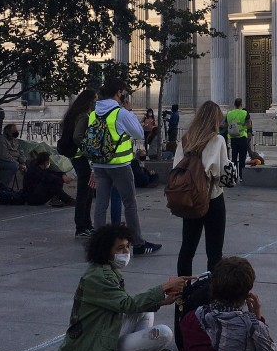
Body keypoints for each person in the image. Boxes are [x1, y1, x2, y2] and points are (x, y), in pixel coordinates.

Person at [57, 224, 188, 351]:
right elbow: (127, 304)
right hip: (93, 349)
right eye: (120, 248)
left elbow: (126, 304)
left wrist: (161, 301)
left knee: (146, 309)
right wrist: (163, 287)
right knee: (164, 334)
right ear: (106, 251)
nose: (126, 252)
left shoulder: (106, 269)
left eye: (127, 246)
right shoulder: (99, 277)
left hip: (104, 330)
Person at [89, 79, 161, 255]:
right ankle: (138, 243)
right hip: (119, 164)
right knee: (129, 203)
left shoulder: (93, 113)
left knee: (100, 204)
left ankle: (98, 243)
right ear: (119, 93)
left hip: (99, 163)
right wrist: (129, 111)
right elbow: (138, 132)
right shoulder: (120, 113)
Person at [173, 100, 237, 277]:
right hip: (212, 198)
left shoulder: (185, 139)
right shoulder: (217, 140)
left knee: (187, 249)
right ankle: (213, 296)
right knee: (214, 252)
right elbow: (223, 175)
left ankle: (182, 297)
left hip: (189, 199)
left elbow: (175, 168)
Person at [59, 89, 98, 238]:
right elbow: (78, 137)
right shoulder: (84, 116)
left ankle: (86, 224)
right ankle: (81, 226)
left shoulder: (76, 114)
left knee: (87, 191)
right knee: (84, 193)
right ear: (89, 101)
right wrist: (88, 149)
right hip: (81, 157)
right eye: (94, 100)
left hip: (77, 157)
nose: (96, 103)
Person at [0, 123, 26, 189]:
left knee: (31, 164)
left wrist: (23, 162)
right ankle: (3, 186)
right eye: (14, 131)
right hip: (1, 161)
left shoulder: (14, 140)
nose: (16, 133)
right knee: (14, 166)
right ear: (8, 132)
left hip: (15, 161)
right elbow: (4, 156)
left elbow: (21, 151)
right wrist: (18, 164)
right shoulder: (1, 141)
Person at [225, 98, 251, 180]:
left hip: (233, 138)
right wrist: (249, 132)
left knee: (234, 157)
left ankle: (234, 175)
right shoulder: (244, 113)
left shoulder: (229, 113)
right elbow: (249, 125)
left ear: (234, 104)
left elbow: (225, 125)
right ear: (241, 104)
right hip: (242, 137)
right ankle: (241, 176)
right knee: (242, 157)